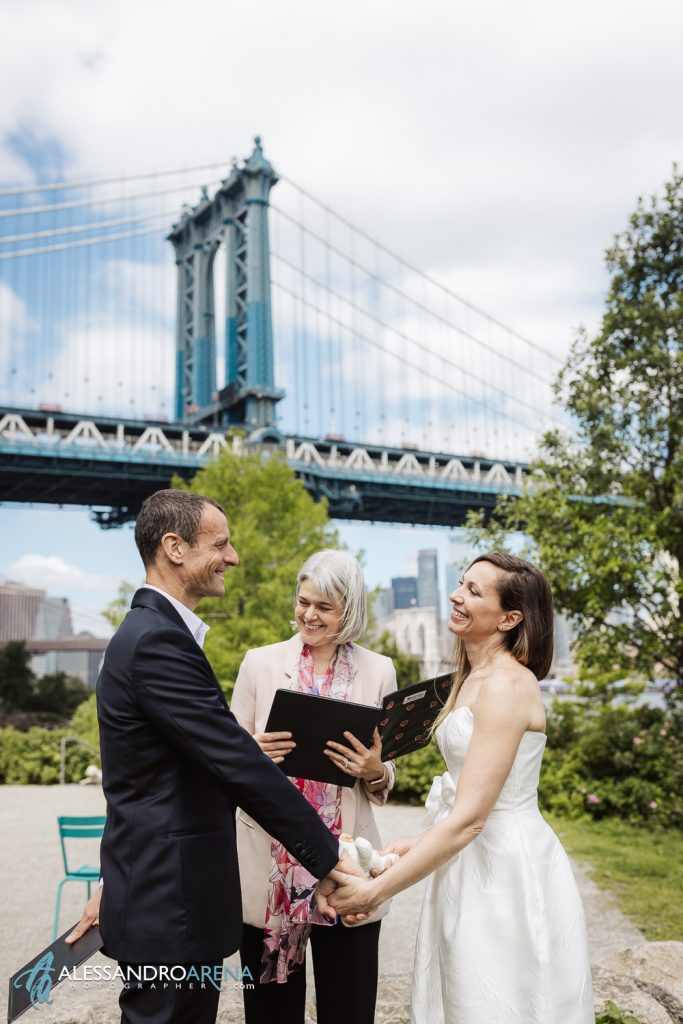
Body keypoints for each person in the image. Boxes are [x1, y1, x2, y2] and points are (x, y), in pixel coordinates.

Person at [65, 490, 360, 1024]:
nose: (233, 556)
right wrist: (330, 858)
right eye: (220, 544)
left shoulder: (154, 636)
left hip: (165, 895)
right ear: (175, 548)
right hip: (170, 904)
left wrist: (113, 883)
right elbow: (237, 764)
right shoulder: (156, 641)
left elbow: (147, 780)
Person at [329, 552, 595, 1024]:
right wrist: (414, 844)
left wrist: (375, 893)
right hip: (467, 859)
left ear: (510, 618)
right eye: (460, 584)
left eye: (474, 591)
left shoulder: (506, 686)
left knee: (493, 1000)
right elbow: (467, 796)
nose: (456, 595)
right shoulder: (472, 680)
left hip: (504, 869)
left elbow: (472, 817)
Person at [230, 548, 397, 1024]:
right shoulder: (259, 664)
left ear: (350, 611)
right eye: (304, 601)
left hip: (349, 868)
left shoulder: (379, 670)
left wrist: (373, 769)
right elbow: (225, 762)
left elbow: (387, 773)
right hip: (270, 869)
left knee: (349, 1009)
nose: (309, 614)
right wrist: (253, 755)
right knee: (270, 1014)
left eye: (324, 606)